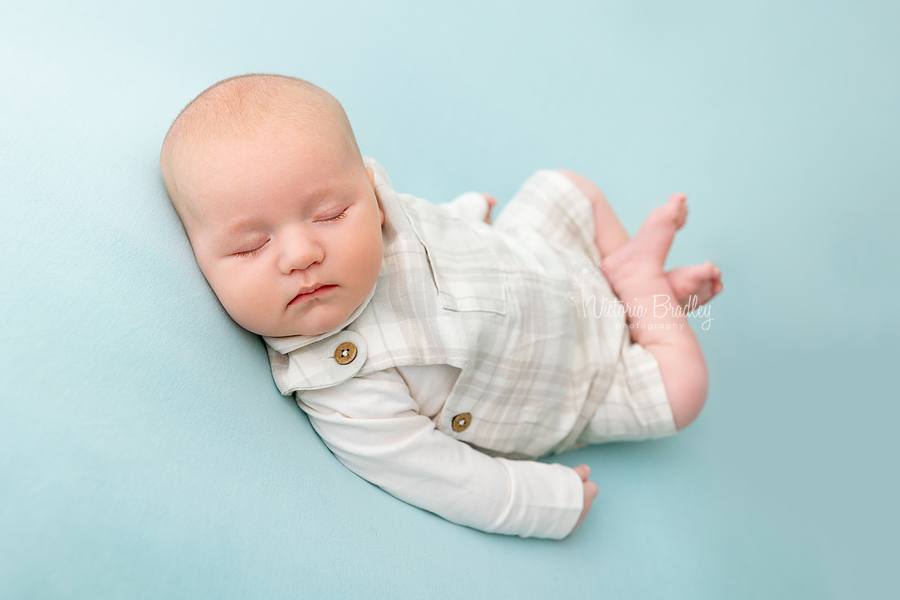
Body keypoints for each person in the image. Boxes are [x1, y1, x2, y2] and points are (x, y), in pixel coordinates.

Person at [159, 73, 723, 539]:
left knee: (568, 187)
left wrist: (466, 212)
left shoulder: (385, 209)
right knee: (683, 393)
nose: (303, 253)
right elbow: (437, 474)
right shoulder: (345, 388)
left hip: (536, 262)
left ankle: (631, 295)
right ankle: (643, 288)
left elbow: (433, 226)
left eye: (330, 213)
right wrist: (542, 502)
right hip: (571, 383)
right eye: (252, 246)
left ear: (370, 195)